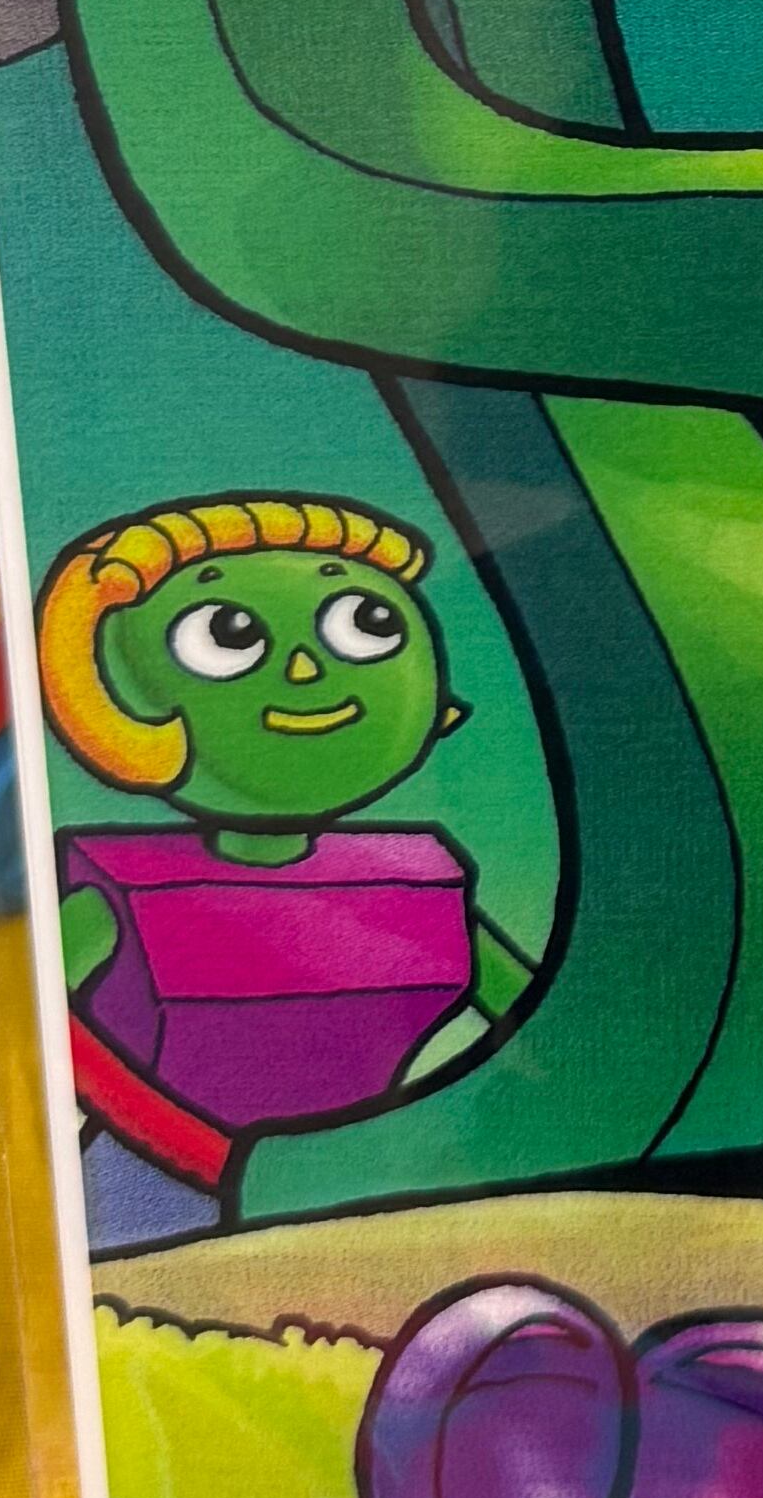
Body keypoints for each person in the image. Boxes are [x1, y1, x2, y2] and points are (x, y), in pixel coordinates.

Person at [41, 494, 534, 1249]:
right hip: (153, 1182)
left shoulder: (422, 882)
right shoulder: (121, 891)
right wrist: (179, 1139)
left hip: (370, 1176)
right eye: (228, 636)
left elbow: (536, 1019)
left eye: (367, 624)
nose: (304, 668)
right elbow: (46, 1019)